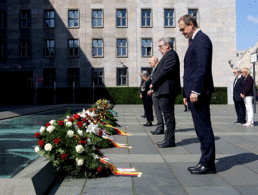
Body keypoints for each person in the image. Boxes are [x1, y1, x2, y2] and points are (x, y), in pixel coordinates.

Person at [179, 14, 216, 174]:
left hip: (199, 93)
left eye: (183, 29)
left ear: (191, 24)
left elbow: (202, 68)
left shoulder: (202, 39)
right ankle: (205, 160)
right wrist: (186, 93)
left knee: (203, 128)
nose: (182, 32)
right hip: (194, 93)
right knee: (200, 128)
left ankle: (208, 164)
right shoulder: (194, 40)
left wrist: (195, 91)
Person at [150, 37, 181, 148]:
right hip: (163, 90)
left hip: (167, 90)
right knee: (167, 116)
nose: (159, 49)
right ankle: (167, 139)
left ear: (167, 46)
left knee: (169, 117)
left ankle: (170, 141)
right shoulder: (167, 56)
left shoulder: (171, 55)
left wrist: (153, 82)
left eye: (160, 46)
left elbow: (163, 72)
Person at [147, 56, 165, 134]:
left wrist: (152, 86)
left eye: (150, 62)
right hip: (155, 92)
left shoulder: (159, 68)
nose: (150, 64)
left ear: (154, 61)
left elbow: (159, 80)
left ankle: (160, 128)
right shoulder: (156, 69)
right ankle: (159, 127)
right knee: (157, 111)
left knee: (158, 111)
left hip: (158, 93)